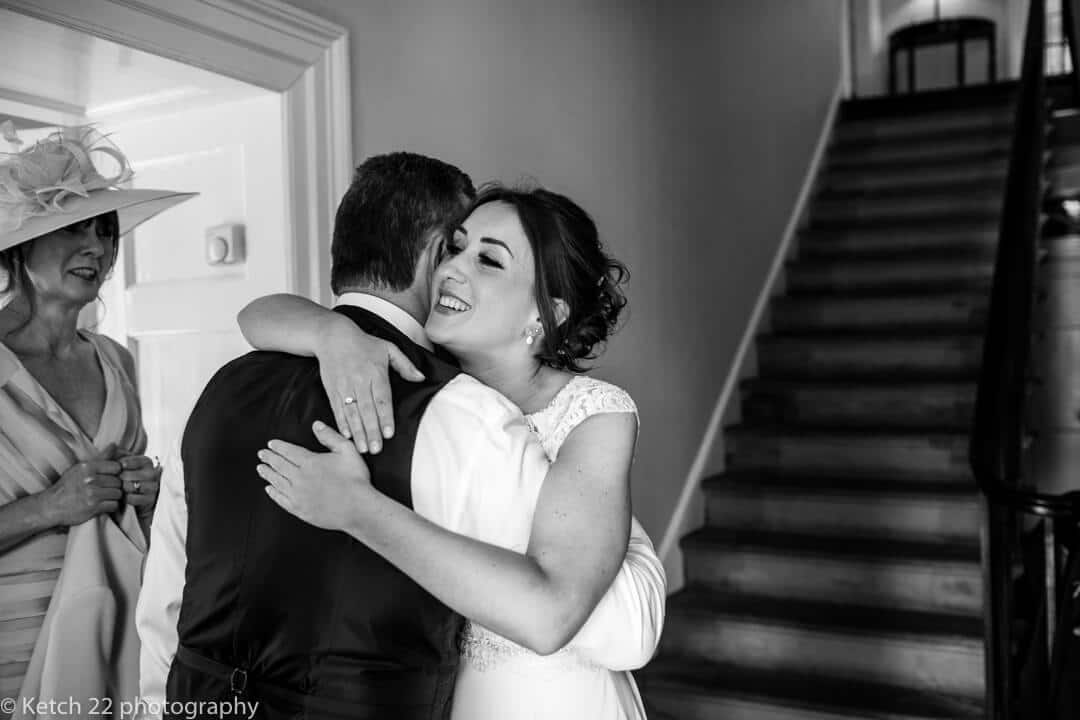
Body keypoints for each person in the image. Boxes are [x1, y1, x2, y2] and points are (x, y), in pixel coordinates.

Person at [136, 153, 662, 720]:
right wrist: (330, 332)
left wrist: (358, 508)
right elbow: (256, 315)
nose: (454, 268)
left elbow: (611, 625)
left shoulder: (579, 414)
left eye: (488, 260)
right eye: (455, 248)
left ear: (543, 314)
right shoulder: (430, 391)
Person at [0, 121, 194, 716]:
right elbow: (65, 503)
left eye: (105, 231)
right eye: (74, 229)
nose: (98, 249)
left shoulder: (117, 361)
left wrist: (147, 497)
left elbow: (136, 522)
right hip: (12, 646)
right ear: (20, 243)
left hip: (115, 628)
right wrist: (51, 507)